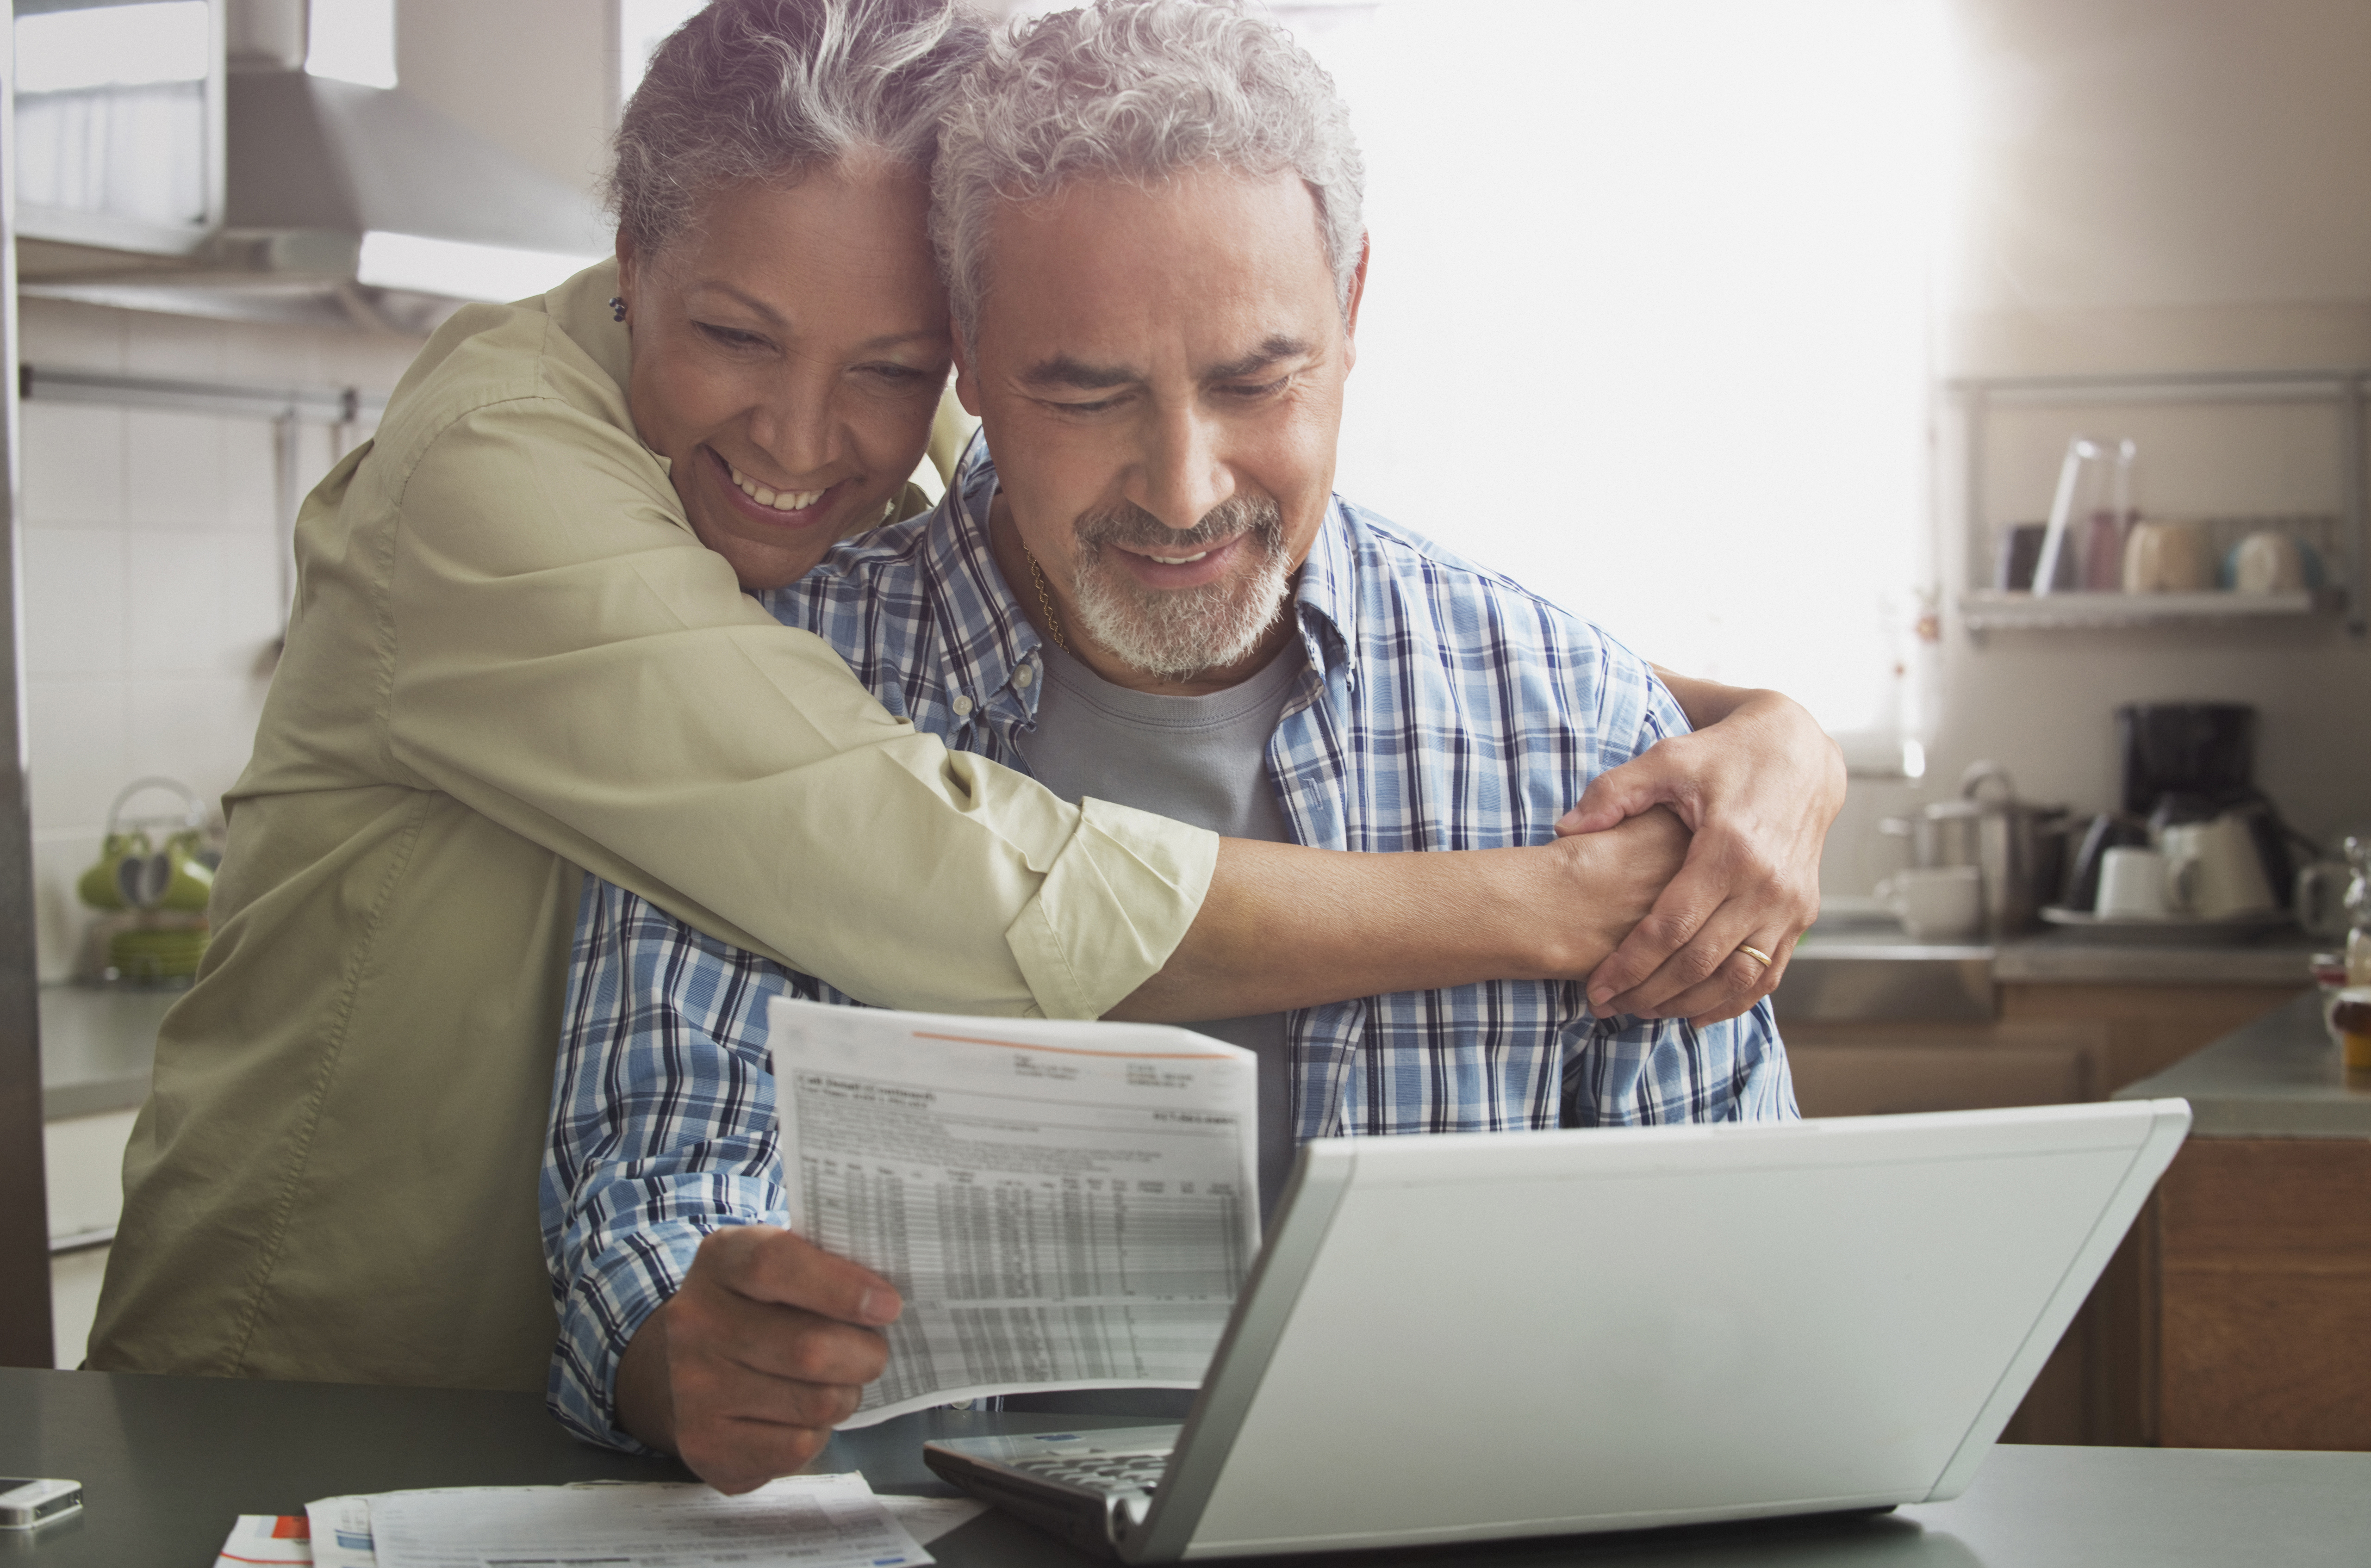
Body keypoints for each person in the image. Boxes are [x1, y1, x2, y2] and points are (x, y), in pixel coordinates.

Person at [87, 0, 1838, 1393]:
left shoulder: (1528, 693)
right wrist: (1543, 901)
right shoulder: (500, 482)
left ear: (950, 361)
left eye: (889, 369)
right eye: (734, 336)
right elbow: (941, 882)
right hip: (308, 1353)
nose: (801, 438)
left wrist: (1750, 726)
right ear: (630, 258)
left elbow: (1264, 566)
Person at [541, 0, 1795, 1494]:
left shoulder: (1571, 721)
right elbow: (642, 1194)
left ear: (1352, 308)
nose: (1185, 489)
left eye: (1257, 381)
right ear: (970, 354)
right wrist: (687, 1341)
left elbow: (1737, 1278)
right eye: (1086, 392)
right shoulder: (772, 680)